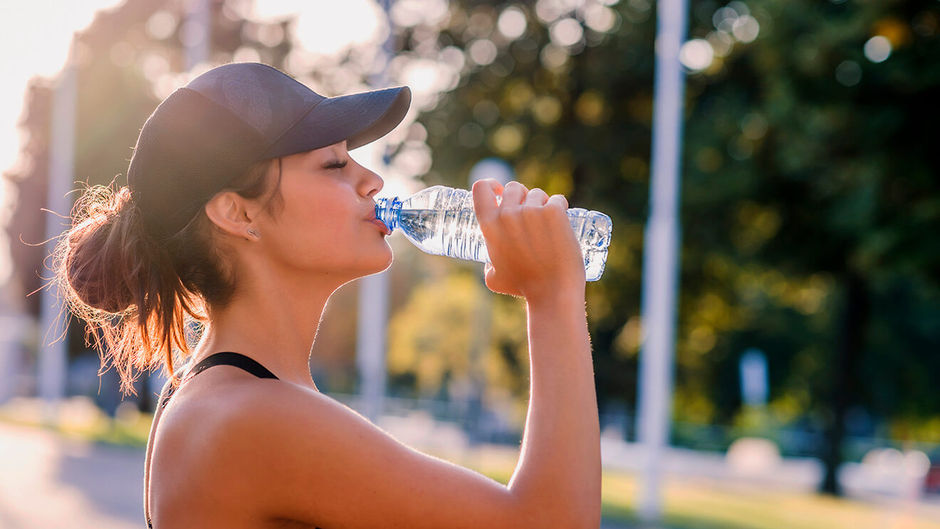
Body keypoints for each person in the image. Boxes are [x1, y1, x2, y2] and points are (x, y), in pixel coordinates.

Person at [56, 62, 600, 528]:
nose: (373, 182)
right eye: (335, 164)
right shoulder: (250, 417)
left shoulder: (235, 396)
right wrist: (552, 298)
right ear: (237, 213)